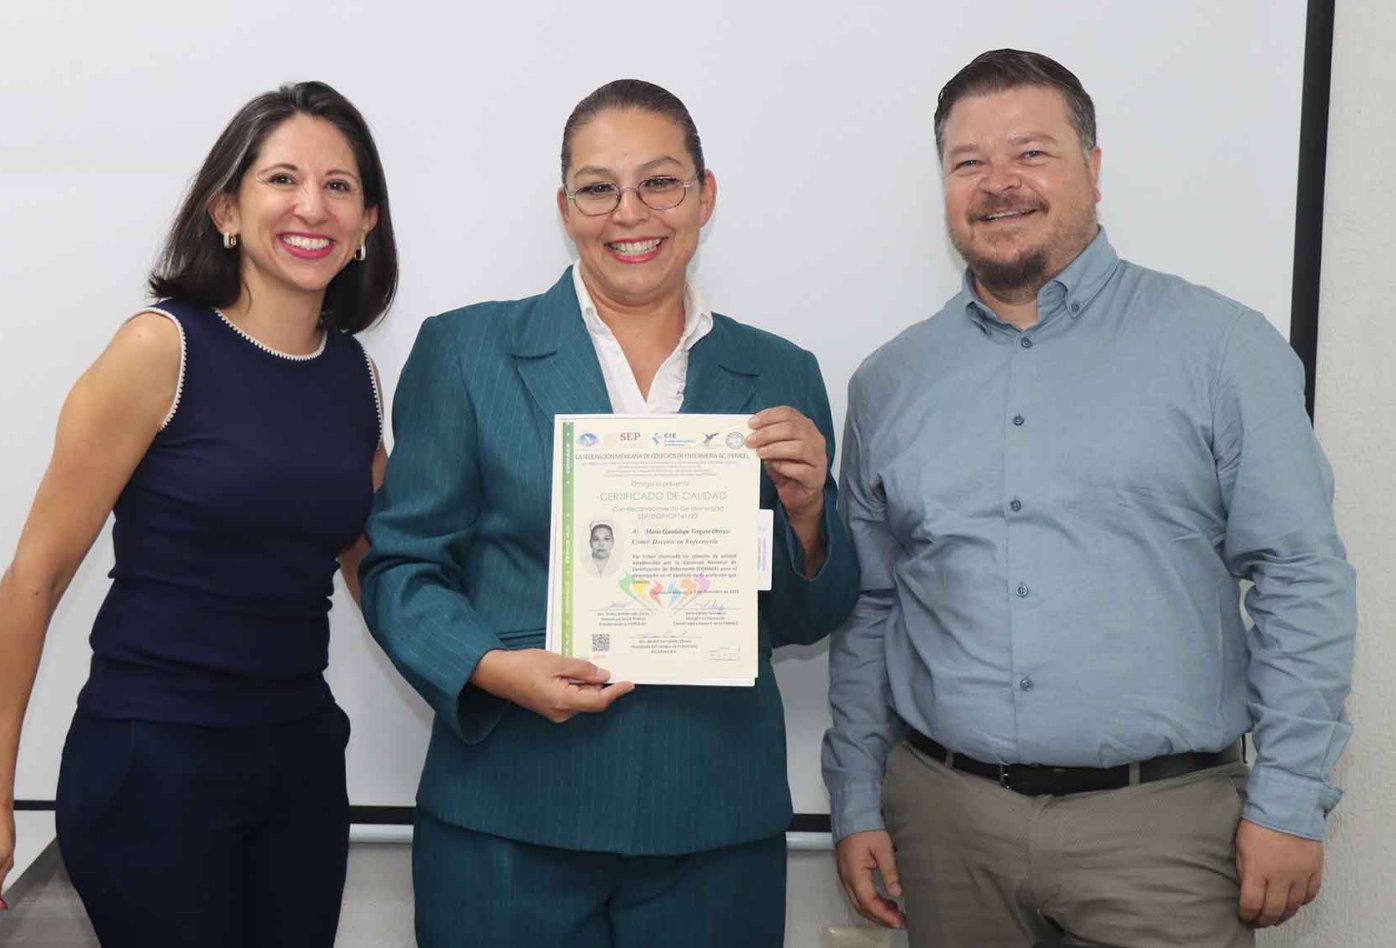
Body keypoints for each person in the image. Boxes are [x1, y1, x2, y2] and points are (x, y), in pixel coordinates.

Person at [822, 49, 1356, 948]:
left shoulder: (1222, 348)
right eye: (968, 163)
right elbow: (871, 610)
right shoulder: (890, 384)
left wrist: (1293, 801)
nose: (998, 185)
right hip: (948, 833)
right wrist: (853, 798)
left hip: (1164, 834)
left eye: (1031, 153)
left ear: (1094, 169)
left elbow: (1300, 576)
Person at [360, 79, 858, 948]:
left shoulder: (780, 370)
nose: (630, 212)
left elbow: (805, 617)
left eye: (660, 182)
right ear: (565, 206)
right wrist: (489, 667)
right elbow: (401, 567)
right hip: (509, 816)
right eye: (598, 188)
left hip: (714, 826)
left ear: (706, 195)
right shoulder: (468, 350)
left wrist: (810, 515)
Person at [0, 82, 397, 948]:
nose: (311, 206)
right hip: (156, 762)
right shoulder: (161, 348)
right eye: (281, 178)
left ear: (368, 221)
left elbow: (374, 565)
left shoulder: (355, 375)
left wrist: (495, 660)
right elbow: (37, 574)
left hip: (300, 761)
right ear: (226, 208)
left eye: (340, 186)